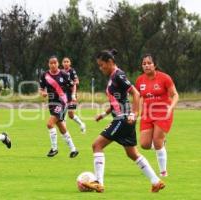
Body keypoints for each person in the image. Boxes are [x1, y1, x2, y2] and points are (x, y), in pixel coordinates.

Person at [82, 49, 165, 193]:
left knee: (96, 145)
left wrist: (134, 113)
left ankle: (98, 182)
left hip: (123, 119)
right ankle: (156, 181)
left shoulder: (118, 75)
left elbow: (136, 93)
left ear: (110, 62)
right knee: (132, 153)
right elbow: (118, 100)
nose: (101, 69)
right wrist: (104, 113)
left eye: (102, 65)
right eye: (99, 66)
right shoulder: (113, 76)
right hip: (123, 118)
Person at [135, 54, 179, 177]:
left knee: (157, 142)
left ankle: (163, 172)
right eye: (144, 63)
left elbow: (175, 95)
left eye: (149, 63)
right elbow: (138, 97)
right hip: (147, 114)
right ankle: (160, 143)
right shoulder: (140, 80)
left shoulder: (164, 78)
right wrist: (136, 112)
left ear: (155, 65)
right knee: (144, 144)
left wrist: (171, 107)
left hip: (163, 113)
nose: (146, 65)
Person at [39, 56, 79, 158]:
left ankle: (54, 149)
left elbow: (73, 85)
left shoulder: (64, 74)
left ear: (58, 64)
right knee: (61, 127)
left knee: (49, 124)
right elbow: (41, 88)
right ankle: (73, 149)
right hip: (51, 103)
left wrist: (73, 95)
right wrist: (43, 93)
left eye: (55, 63)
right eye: (51, 63)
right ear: (48, 64)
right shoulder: (45, 75)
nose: (53, 65)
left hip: (62, 102)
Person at [61, 57, 86, 133]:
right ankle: (65, 132)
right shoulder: (61, 72)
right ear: (62, 63)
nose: (66, 63)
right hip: (64, 95)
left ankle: (82, 124)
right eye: (64, 62)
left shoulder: (72, 71)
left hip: (72, 94)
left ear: (70, 63)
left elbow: (77, 81)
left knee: (71, 115)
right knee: (63, 113)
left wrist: (73, 94)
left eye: (67, 61)